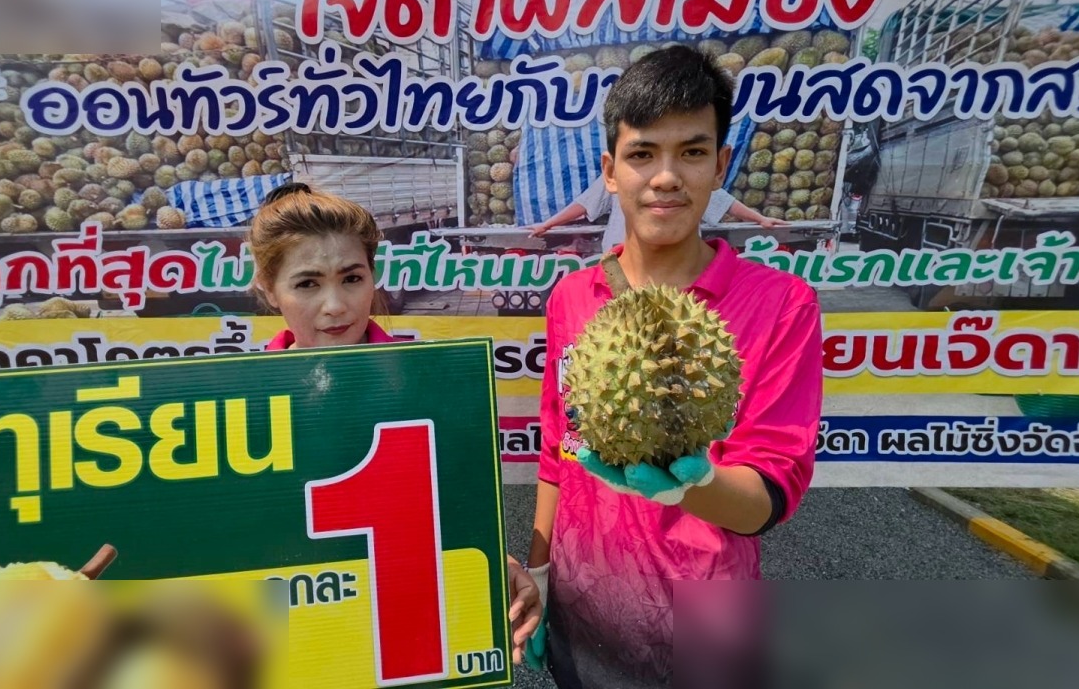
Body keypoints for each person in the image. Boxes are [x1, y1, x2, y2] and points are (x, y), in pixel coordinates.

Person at [524, 45, 823, 687]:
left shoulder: (781, 304)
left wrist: (691, 485)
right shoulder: (571, 297)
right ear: (610, 172)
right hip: (586, 612)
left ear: (719, 166)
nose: (665, 177)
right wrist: (541, 573)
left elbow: (770, 496)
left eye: (690, 152)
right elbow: (557, 450)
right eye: (642, 154)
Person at [247, 182, 544, 663]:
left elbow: (456, 514)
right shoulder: (239, 404)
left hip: (408, 640)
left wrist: (498, 563)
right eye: (307, 284)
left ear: (373, 275)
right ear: (268, 287)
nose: (336, 305)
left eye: (352, 277)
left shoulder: (431, 385)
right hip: (291, 643)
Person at [527, 175, 789, 251]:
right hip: (621, 256)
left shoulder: (683, 176)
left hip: (677, 262)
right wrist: (548, 224)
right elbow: (586, 203)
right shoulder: (619, 173)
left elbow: (721, 201)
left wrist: (760, 219)